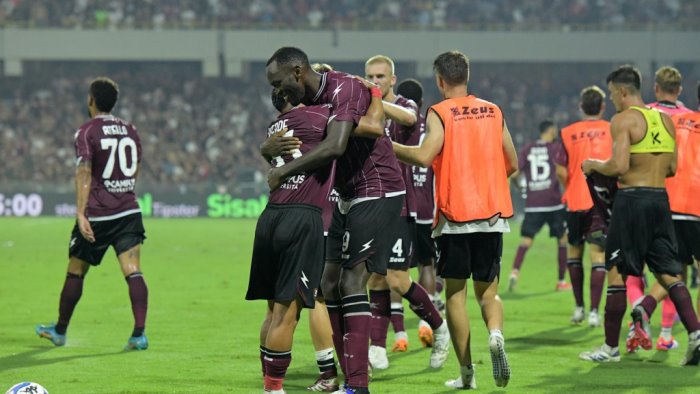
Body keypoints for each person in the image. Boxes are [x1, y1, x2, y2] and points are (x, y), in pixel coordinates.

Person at [265, 47, 405, 394]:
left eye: (279, 82)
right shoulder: (309, 106)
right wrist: (267, 150)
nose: (278, 90)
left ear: (297, 72)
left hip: (378, 188)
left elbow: (336, 145)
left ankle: (358, 386)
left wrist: (282, 172)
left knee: (351, 281)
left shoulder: (344, 88)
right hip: (346, 194)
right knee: (327, 285)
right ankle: (340, 378)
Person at [392, 50, 517, 389]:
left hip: (455, 216)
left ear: (440, 81)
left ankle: (467, 375)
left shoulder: (440, 112)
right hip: (492, 215)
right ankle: (495, 334)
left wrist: (386, 145)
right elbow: (513, 162)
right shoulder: (493, 110)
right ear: (467, 76)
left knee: (456, 296)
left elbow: (422, 155)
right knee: (488, 293)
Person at [579, 65, 700, 365]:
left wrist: (594, 164)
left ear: (622, 91)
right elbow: (671, 168)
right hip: (661, 200)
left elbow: (618, 166)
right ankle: (696, 333)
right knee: (670, 274)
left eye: (612, 94)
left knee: (617, 272)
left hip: (632, 201)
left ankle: (610, 349)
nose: (612, 100)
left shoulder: (623, 120)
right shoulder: (665, 120)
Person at [36, 77, 149, 351]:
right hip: (128, 210)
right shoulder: (130, 130)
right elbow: (134, 168)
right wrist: (123, 191)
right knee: (133, 271)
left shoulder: (86, 131)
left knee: (75, 271)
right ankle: (139, 334)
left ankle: (60, 331)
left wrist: (80, 213)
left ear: (91, 100)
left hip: (98, 214)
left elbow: (84, 172)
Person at [363, 55, 449, 371]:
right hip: (370, 204)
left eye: (381, 76)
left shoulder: (405, 105)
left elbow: (409, 120)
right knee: (375, 278)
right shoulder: (363, 106)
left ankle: (439, 329)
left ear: (393, 78)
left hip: (400, 206)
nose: (375, 80)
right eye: (370, 76)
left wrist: (371, 99)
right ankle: (376, 347)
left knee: (398, 279)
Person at [624, 66, 695, 351]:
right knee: (676, 271)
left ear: (655, 88)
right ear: (679, 90)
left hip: (644, 197)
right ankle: (666, 333)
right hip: (684, 201)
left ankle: (636, 325)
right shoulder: (690, 118)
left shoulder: (642, 115)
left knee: (634, 268)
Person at [555, 85, 612, 327]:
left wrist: (571, 186)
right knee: (598, 255)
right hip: (600, 202)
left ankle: (579, 308)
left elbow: (559, 170)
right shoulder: (611, 130)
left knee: (574, 253)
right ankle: (594, 313)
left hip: (575, 200)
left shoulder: (568, 132)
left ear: (581, 107)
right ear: (602, 106)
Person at [508, 120, 569, 292]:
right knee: (562, 240)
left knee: (526, 240)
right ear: (550, 131)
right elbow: (560, 170)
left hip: (533, 203)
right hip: (553, 202)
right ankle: (561, 281)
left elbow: (514, 174)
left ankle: (514, 273)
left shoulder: (527, 149)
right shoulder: (555, 148)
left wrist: (521, 187)